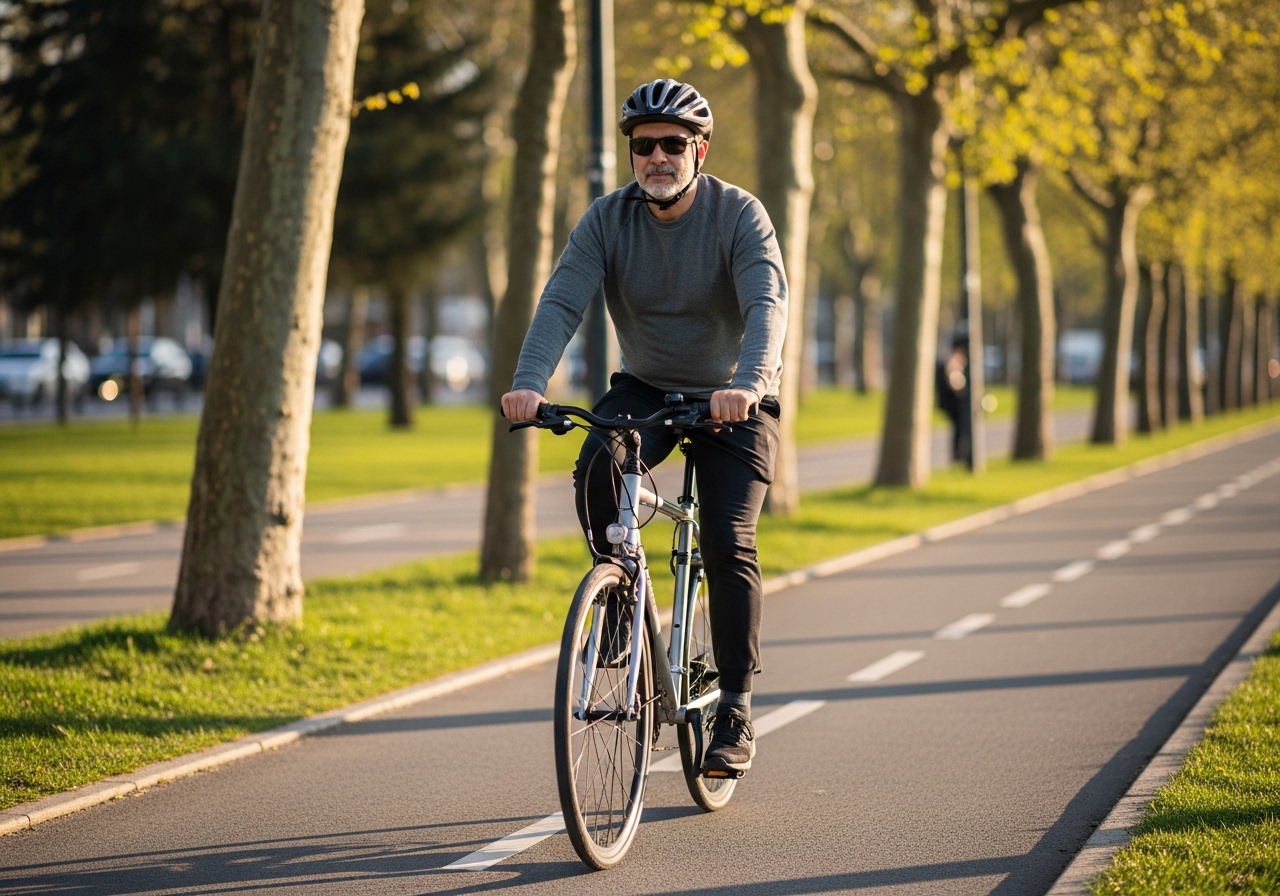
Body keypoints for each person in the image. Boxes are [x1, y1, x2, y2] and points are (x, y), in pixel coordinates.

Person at [501, 78, 787, 777]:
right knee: (598, 466)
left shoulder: (738, 214)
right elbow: (561, 301)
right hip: (649, 386)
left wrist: (748, 385)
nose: (656, 157)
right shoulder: (607, 219)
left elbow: (766, 304)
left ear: (699, 149)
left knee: (727, 539)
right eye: (643, 146)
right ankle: (624, 606)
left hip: (734, 398)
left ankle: (736, 710)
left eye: (672, 145)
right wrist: (530, 383)